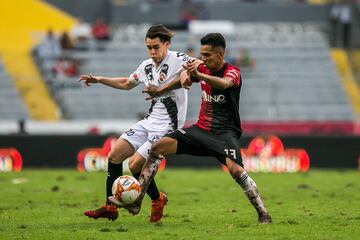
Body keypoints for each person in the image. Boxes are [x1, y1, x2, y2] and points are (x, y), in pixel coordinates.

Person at [112, 33, 272, 224]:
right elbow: (184, 79)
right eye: (202, 54)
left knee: (237, 172)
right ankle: (137, 200)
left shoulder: (232, 71)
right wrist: (167, 87)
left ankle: (263, 214)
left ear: (221, 54)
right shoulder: (202, 67)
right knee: (158, 147)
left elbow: (223, 84)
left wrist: (199, 74)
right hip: (200, 130)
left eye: (207, 55)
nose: (203, 58)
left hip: (224, 134)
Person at [79, 24, 194, 223]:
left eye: (156, 47)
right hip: (149, 122)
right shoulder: (146, 66)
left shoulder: (178, 59)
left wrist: (187, 76)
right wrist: (100, 79)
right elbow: (126, 83)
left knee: (133, 165)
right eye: (149, 47)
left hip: (167, 128)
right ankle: (110, 207)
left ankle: (156, 200)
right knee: (114, 155)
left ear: (166, 44)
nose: (152, 51)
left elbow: (198, 64)